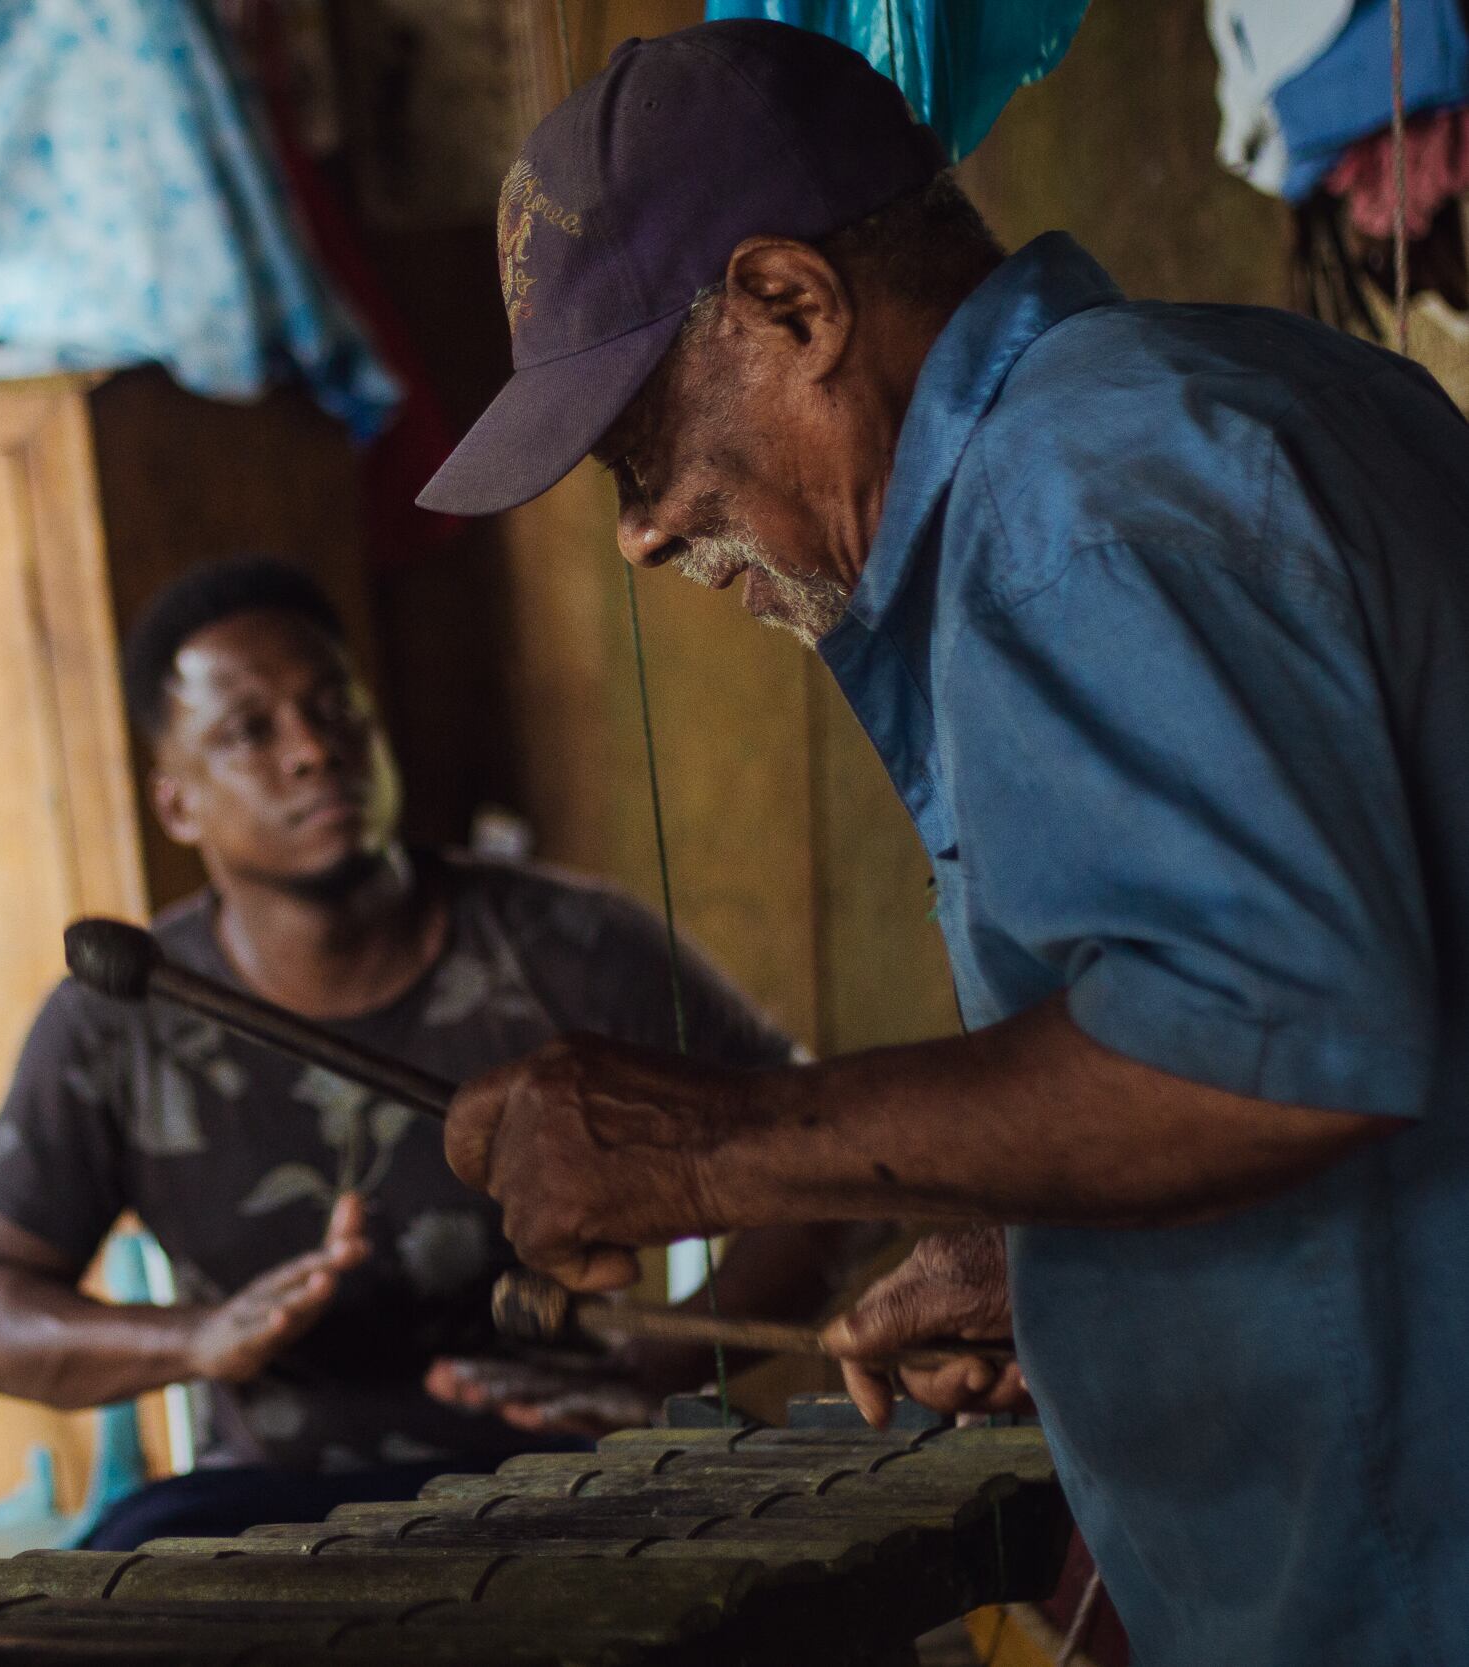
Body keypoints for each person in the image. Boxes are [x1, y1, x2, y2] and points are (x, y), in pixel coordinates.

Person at [415, 21, 1469, 1667]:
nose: (643, 529)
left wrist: (712, 1148)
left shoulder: (1073, 504)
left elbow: (1269, 1049)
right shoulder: (1258, 394)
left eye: (642, 449)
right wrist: (1052, 1244)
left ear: (793, 307)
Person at [0, 557, 873, 1549]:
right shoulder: (114, 1018)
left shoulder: (577, 947)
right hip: (270, 1502)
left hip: (573, 1468)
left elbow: (832, 1172)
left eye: (332, 705)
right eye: (249, 730)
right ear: (176, 805)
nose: (310, 750)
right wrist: (196, 1339)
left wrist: (646, 1367)